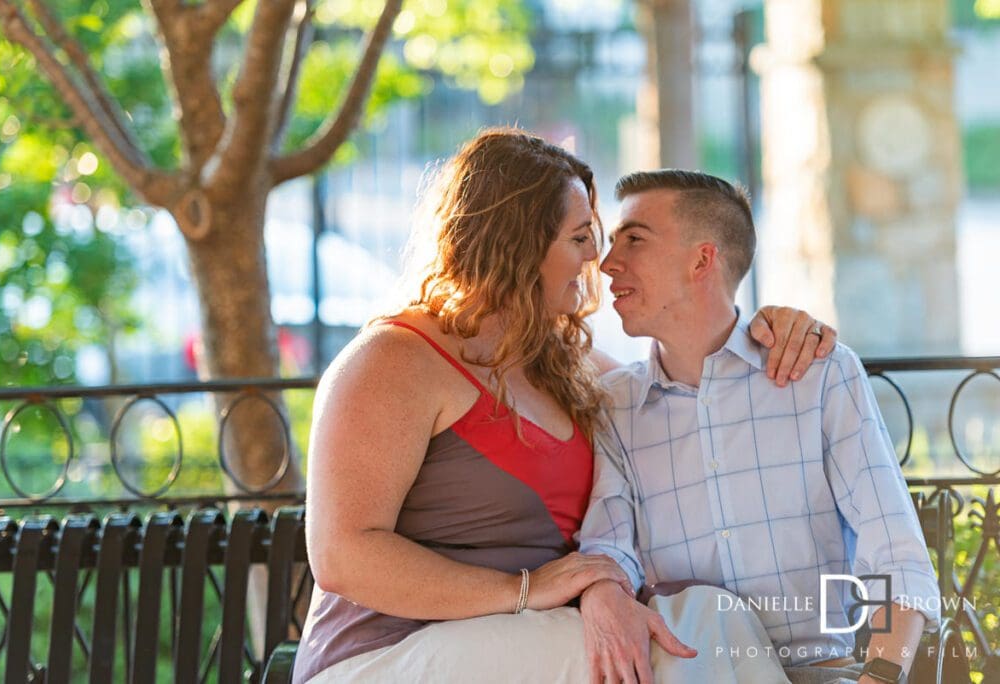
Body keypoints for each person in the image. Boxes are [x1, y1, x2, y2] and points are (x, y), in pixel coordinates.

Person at [293, 128, 835, 683]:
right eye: (580, 237)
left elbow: (685, 387)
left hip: (529, 639)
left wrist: (773, 330)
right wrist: (525, 591)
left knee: (713, 625)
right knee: (648, 661)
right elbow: (343, 556)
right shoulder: (394, 359)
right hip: (385, 655)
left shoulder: (565, 366)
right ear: (519, 243)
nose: (597, 261)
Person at [578, 170, 939, 684]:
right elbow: (608, 555)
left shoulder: (818, 374)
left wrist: (880, 675)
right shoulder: (614, 407)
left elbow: (894, 552)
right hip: (691, 672)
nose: (609, 263)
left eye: (633, 239)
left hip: (821, 671)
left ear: (702, 259)